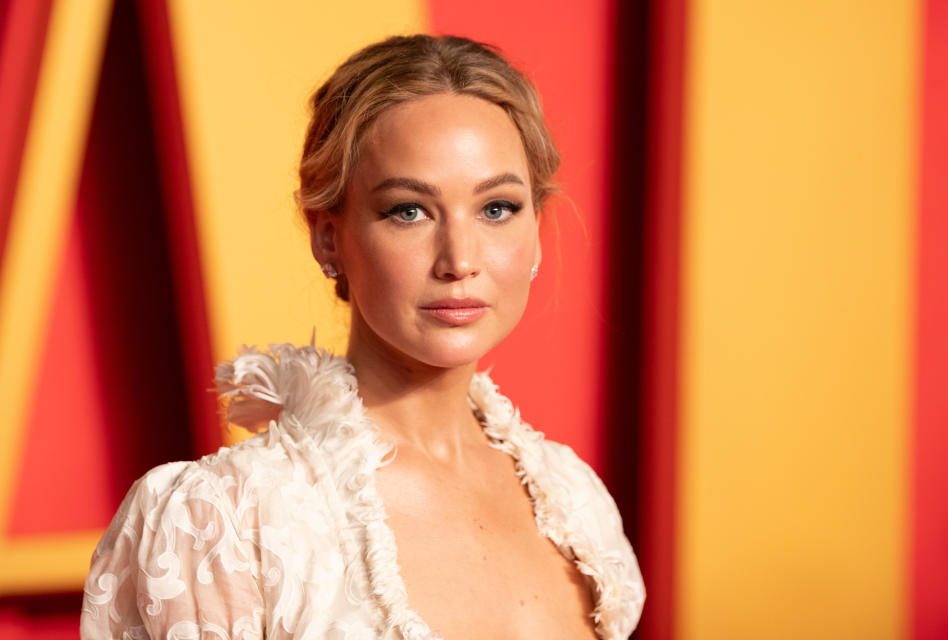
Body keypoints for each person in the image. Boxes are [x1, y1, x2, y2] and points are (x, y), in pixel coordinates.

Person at [80, 34, 645, 639]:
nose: (459, 260)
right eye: (408, 210)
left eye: (497, 208)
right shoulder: (224, 520)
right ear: (329, 238)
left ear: (536, 230)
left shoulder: (575, 501)